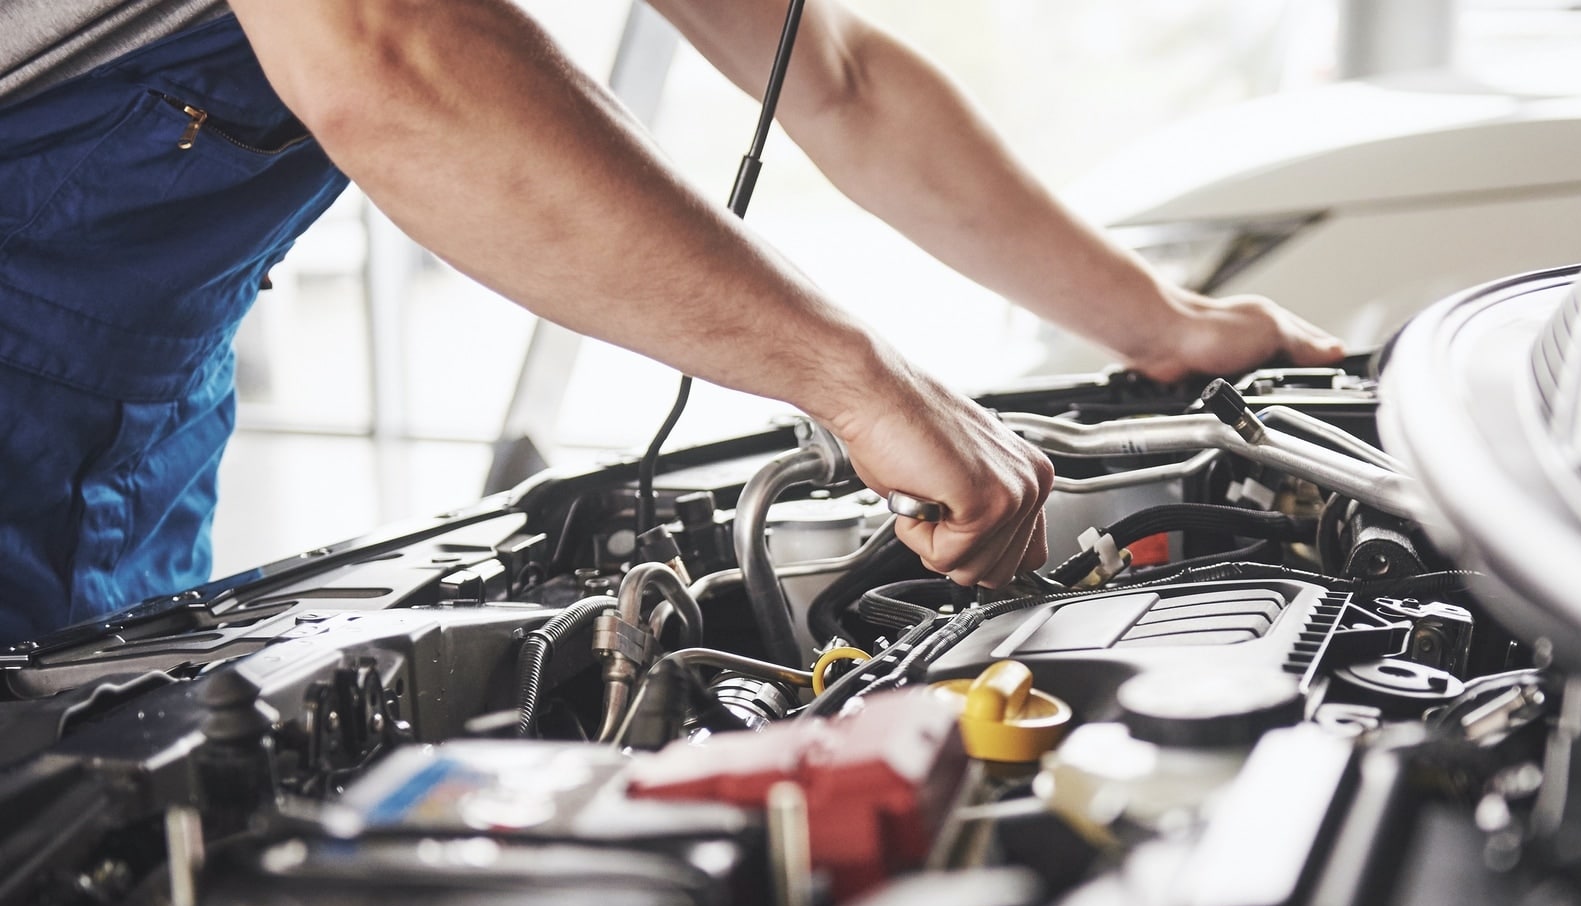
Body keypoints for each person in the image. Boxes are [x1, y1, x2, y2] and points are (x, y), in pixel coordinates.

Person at [0, 0, 1342, 645]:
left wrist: (1164, 325)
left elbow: (835, 80)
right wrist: (854, 381)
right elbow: (388, 50)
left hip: (127, 411)